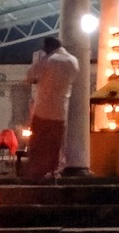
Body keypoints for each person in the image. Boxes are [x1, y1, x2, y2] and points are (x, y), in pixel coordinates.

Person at [21, 35, 79, 181]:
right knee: (55, 146)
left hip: (42, 111)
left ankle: (35, 176)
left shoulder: (47, 60)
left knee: (37, 145)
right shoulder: (73, 61)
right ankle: (52, 173)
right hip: (60, 112)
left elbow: (29, 77)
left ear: (48, 47)